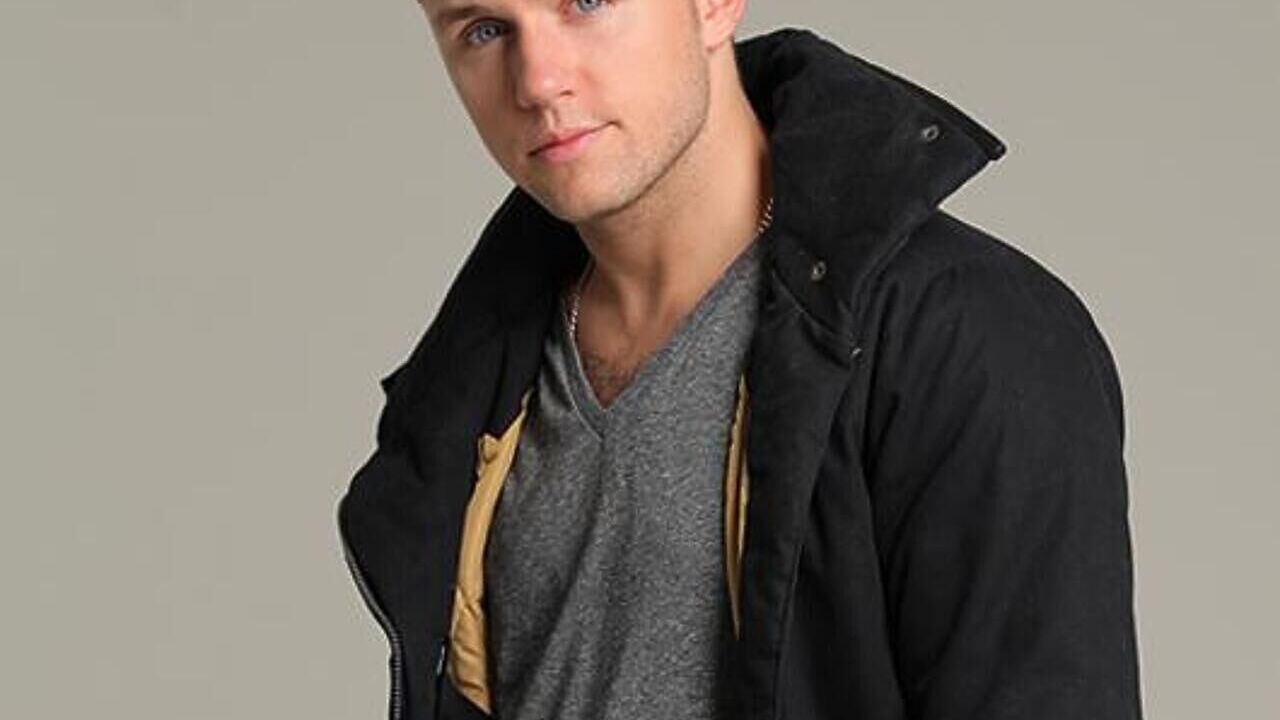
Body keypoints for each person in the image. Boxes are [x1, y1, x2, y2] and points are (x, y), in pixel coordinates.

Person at [336, 1, 1144, 719]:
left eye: (587, 1)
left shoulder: (967, 337)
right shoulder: (475, 390)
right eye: (484, 29)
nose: (538, 81)